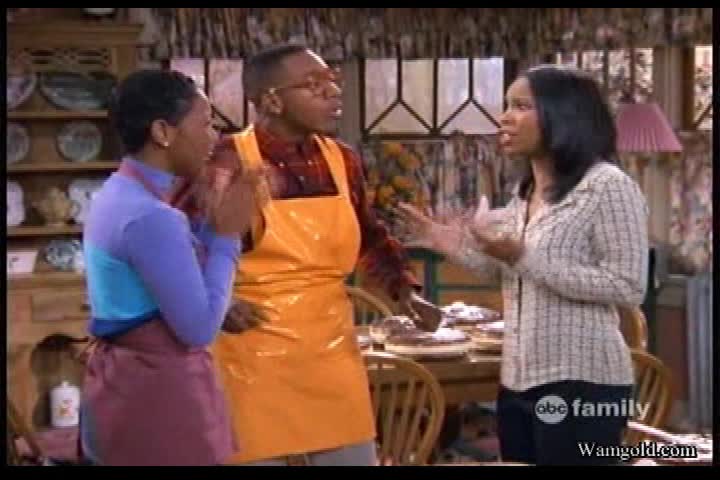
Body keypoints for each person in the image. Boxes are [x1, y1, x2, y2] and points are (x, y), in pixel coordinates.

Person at [171, 44, 439, 466]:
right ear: (271, 101)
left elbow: (370, 236)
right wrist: (219, 302)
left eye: (333, 80)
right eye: (314, 84)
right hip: (251, 356)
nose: (333, 92)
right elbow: (177, 243)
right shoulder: (227, 160)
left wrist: (405, 290)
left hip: (332, 354)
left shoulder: (342, 160)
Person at [396, 65, 649, 465]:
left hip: (581, 382)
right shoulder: (526, 191)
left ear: (561, 115)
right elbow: (507, 271)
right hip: (517, 380)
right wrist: (449, 243)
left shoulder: (608, 186)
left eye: (521, 106)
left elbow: (627, 285)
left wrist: (521, 256)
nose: (505, 118)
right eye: (506, 105)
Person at [80, 69, 258, 465]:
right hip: (158, 398)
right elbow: (198, 328)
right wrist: (227, 234)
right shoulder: (151, 215)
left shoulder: (117, 193)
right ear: (163, 131)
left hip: (125, 386)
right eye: (205, 124)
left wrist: (212, 224)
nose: (215, 138)